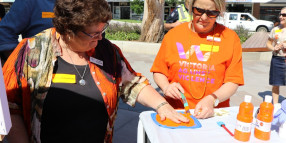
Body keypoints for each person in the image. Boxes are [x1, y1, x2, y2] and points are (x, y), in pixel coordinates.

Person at [3, 0, 188, 143]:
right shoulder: (31, 51)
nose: (100, 38)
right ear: (67, 30)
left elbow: (132, 83)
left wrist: (161, 105)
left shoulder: (107, 51)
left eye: (102, 30)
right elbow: (9, 107)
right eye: (93, 33)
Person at [151, 0, 244, 119]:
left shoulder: (230, 38)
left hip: (212, 114)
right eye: (199, 11)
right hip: (176, 112)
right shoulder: (173, 35)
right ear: (190, 7)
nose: (204, 17)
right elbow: (159, 71)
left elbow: (233, 81)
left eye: (211, 13)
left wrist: (212, 99)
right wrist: (166, 87)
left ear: (219, 12)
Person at [266, 7, 286, 111]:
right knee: (276, 83)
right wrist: (274, 48)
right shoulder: (275, 29)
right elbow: (268, 43)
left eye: (284, 15)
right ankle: (276, 106)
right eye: (280, 14)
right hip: (277, 59)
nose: (281, 16)